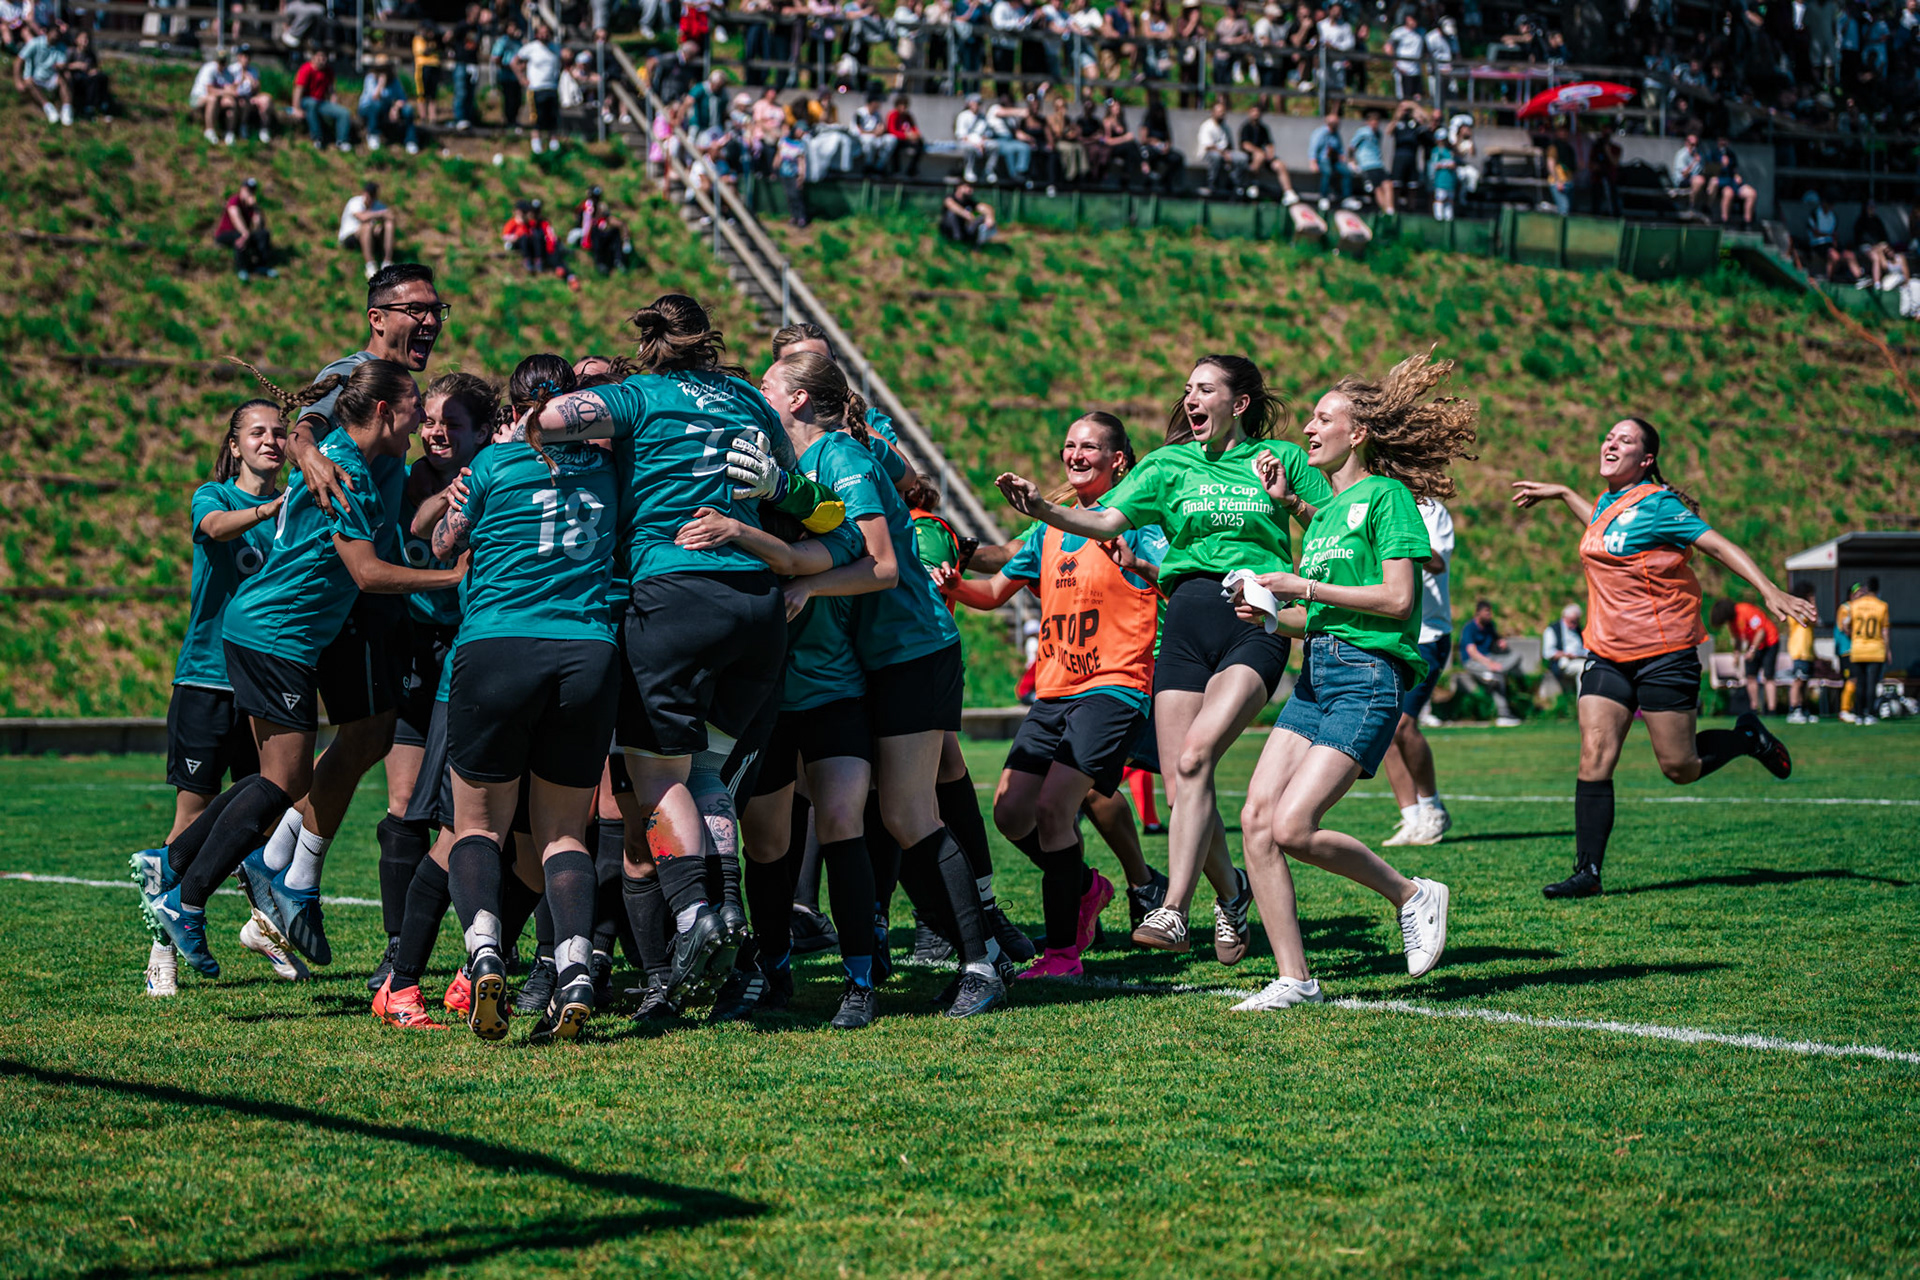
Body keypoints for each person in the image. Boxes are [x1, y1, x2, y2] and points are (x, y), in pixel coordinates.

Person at [520, 295, 846, 1010]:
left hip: (673, 600)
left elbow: (541, 421)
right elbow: (823, 510)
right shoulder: (747, 401)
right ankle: (727, 911)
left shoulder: (636, 396)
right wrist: (778, 488)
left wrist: (547, 426)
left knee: (655, 777)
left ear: (649, 342)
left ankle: (696, 914)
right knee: (706, 772)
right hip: (757, 611)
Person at [132, 360, 465, 982]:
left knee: (285, 776)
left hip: (274, 635)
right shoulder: (346, 472)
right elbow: (367, 573)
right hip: (273, 635)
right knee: (282, 779)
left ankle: (175, 866)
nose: (423, 419)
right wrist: (454, 577)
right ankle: (183, 890)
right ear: (386, 411)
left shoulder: (342, 455)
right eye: (416, 405)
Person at [995, 355, 1333, 963]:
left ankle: (1172, 906)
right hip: (1185, 621)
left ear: (1240, 403)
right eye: (1189, 389)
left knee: (1198, 754)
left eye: (1206, 389)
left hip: (1251, 619)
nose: (1192, 399)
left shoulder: (1279, 461)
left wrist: (1295, 511)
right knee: (1182, 787)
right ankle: (1231, 895)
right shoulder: (1166, 465)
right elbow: (1101, 521)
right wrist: (1042, 510)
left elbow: (1335, 523)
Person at [1227, 353, 1475, 1013]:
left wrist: (1298, 585)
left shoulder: (1388, 498)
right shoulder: (1329, 512)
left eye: (1322, 417)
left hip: (1369, 676)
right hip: (1319, 673)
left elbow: (1398, 600)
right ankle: (1295, 979)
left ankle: (1413, 894)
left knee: (1294, 825)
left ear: (1357, 433)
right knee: (1255, 820)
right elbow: (1319, 615)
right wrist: (1272, 614)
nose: (1308, 427)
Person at [240, 264, 449, 973]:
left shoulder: (403, 395)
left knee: (370, 736)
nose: (430, 321)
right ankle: (274, 874)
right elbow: (310, 422)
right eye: (416, 309)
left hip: (359, 595)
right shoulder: (355, 372)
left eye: (437, 310)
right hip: (347, 593)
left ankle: (281, 870)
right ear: (378, 316)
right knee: (362, 738)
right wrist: (305, 452)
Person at [1513, 417, 1815, 899]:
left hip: (1663, 654)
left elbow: (1715, 544)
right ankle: (1587, 873)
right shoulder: (1608, 505)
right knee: (1594, 753)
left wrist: (1769, 589)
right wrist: (1563, 492)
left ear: (1646, 460)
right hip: (1607, 653)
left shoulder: (1658, 505)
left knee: (1680, 767)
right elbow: (1601, 530)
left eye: (1624, 440)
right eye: (1608, 436)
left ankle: (1747, 739)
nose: (1610, 443)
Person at [679, 355, 895, 1028]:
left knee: (839, 821)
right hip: (765, 691)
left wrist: (803, 581)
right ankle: (771, 967)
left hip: (831, 683)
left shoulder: (832, 462)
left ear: (797, 397)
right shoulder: (746, 459)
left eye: (767, 384)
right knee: (767, 841)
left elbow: (867, 556)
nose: (756, 394)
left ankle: (860, 981)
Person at [429, 362, 622, 1043]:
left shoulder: (490, 465)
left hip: (497, 648)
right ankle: (573, 968)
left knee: (478, 825)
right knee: (564, 833)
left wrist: (470, 495)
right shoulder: (607, 467)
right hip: (585, 652)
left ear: (512, 406)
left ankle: (485, 950)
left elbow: (442, 543)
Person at [943, 413, 1167, 977]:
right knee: (1012, 813)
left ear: (1118, 459)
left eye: (1089, 446)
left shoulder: (1136, 516)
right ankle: (1087, 886)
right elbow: (995, 590)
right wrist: (949, 583)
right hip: (1054, 690)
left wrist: (1143, 564)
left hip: (1114, 684)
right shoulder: (1049, 528)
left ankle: (1064, 954)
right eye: (1069, 445)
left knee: (1053, 809)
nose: (1075, 455)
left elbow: (1174, 573)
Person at [140, 399, 292, 997]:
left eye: (280, 433)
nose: (271, 441)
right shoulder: (216, 496)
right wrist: (266, 510)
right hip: (206, 680)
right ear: (234, 445)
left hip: (264, 683)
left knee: (264, 813)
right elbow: (212, 530)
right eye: (258, 433)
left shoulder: (292, 511)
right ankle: (162, 951)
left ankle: (262, 926)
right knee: (192, 818)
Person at [364, 370, 496, 994]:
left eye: (453, 424)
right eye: (433, 421)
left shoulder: (501, 473)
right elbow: (418, 526)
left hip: (475, 649)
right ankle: (398, 949)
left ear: (484, 431)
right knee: (403, 805)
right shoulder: (417, 477)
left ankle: (480, 953)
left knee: (471, 815)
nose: (438, 432)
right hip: (416, 645)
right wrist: (455, 492)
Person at [1378, 496, 1452, 848]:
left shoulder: (1430, 510)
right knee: (1386, 728)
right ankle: (1412, 818)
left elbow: (1437, 562)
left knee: (1404, 723)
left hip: (1428, 634)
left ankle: (1433, 807)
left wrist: (1403, 536)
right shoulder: (1375, 501)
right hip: (1390, 631)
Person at [1709, 596, 1779, 715]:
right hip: (1754, 645)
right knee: (1750, 676)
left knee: (1768, 676)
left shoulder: (1745, 610)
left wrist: (1752, 650)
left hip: (1769, 642)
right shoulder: (1732, 622)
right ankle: (1754, 708)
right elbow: (1737, 639)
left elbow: (1761, 631)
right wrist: (1736, 654)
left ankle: (1772, 709)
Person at [1459, 599, 1522, 726]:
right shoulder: (1469, 628)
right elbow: (1472, 652)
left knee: (1516, 656)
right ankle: (1503, 714)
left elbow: (1496, 637)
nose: (1489, 615)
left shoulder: (1490, 626)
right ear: (1478, 613)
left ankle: (1489, 675)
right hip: (1473, 662)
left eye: (1490, 612)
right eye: (1486, 612)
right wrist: (1489, 664)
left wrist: (1501, 641)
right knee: (1498, 678)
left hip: (1490, 658)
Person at [512, 23, 563, 155]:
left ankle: (553, 141)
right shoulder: (531, 48)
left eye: (547, 32)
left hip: (552, 86)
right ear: (537, 34)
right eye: (542, 32)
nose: (544, 35)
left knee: (552, 116)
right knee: (537, 117)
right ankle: (536, 141)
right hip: (536, 87)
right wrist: (521, 78)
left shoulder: (555, 48)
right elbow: (514, 61)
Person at [1845, 577, 1890, 725]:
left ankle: (1858, 714)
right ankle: (1870, 714)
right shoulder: (1882, 606)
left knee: (1860, 683)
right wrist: (1887, 650)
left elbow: (1846, 625)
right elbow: (1885, 631)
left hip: (1858, 649)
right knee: (1872, 684)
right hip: (1875, 649)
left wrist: (1853, 636)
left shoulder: (1855, 605)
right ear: (1877, 590)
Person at [213, 177, 275, 282]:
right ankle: (242, 269)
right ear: (242, 189)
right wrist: (245, 233)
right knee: (239, 236)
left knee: (263, 234)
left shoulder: (250, 206)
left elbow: (259, 226)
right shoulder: (234, 200)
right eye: (248, 190)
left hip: (243, 233)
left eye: (252, 190)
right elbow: (234, 216)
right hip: (225, 234)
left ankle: (260, 265)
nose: (250, 193)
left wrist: (256, 208)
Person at [292, 47, 352, 152]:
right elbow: (298, 90)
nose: (322, 59)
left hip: (321, 103)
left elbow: (331, 90)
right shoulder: (306, 69)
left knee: (344, 113)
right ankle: (317, 138)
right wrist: (296, 108)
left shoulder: (328, 71)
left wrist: (333, 102)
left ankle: (342, 141)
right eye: (319, 57)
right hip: (306, 101)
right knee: (312, 103)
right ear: (313, 57)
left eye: (324, 57)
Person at [339, 180, 398, 281]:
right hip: (350, 237)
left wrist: (381, 225)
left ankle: (387, 262)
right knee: (367, 226)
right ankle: (370, 265)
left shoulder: (378, 206)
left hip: (370, 236)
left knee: (388, 224)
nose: (370, 199)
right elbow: (362, 217)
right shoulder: (355, 202)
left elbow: (391, 217)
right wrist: (380, 215)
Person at [358, 61, 420, 155]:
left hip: (387, 108)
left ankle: (411, 141)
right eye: (380, 70)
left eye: (385, 70)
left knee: (408, 110)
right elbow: (374, 98)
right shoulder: (370, 79)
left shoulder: (394, 81)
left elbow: (402, 98)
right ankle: (373, 134)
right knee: (376, 105)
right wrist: (380, 84)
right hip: (368, 108)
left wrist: (395, 108)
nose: (382, 72)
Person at [14, 21, 68, 125]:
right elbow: (18, 61)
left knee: (65, 78)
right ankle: (48, 107)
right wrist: (18, 81)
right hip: (33, 78)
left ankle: (67, 109)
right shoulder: (34, 43)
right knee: (29, 82)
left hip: (51, 77)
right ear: (47, 32)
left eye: (58, 33)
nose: (56, 35)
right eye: (54, 32)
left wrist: (61, 67)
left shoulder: (61, 47)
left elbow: (62, 65)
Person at [1784, 583, 1818, 725]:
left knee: (1804, 682)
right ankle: (1794, 709)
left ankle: (1803, 708)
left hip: (1807, 651)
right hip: (1799, 650)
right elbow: (1812, 617)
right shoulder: (1796, 610)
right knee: (1798, 681)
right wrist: (1812, 604)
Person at [1540, 602, 1587, 700]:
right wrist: (1565, 654)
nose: (1574, 624)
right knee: (1583, 668)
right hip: (1563, 662)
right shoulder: (1552, 629)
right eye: (1572, 621)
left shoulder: (1578, 630)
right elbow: (1547, 653)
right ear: (1564, 617)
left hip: (1580, 658)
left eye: (1576, 621)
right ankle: (1581, 702)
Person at [1308, 105, 1350, 209]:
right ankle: (1323, 197)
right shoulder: (1320, 133)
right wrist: (1313, 162)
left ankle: (1346, 198)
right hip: (1322, 159)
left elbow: (1340, 149)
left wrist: (1343, 158)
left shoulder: (1336, 134)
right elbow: (1313, 148)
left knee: (1347, 172)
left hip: (1334, 160)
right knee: (1327, 172)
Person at [1197, 98, 1240, 198]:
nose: (1222, 114)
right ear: (1213, 112)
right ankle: (1212, 185)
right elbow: (1208, 146)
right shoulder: (1207, 126)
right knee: (1216, 157)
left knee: (1241, 158)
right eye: (1219, 112)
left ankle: (1236, 186)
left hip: (1224, 153)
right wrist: (1224, 154)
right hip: (1208, 154)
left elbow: (1229, 144)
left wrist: (1229, 154)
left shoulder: (1225, 127)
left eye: (1223, 112)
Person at [1351, 107, 1388, 212]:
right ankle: (1384, 210)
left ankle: (1389, 210)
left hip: (1378, 164)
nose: (1375, 123)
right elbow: (1352, 147)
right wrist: (1352, 161)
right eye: (1373, 121)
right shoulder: (1363, 132)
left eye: (1377, 121)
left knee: (1388, 184)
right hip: (1368, 165)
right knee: (1377, 188)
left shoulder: (1378, 134)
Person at [940, 180, 998, 245]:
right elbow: (951, 205)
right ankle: (956, 241)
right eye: (968, 186)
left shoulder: (969, 201)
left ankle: (978, 244)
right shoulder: (950, 198)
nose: (971, 189)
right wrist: (965, 214)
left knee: (983, 218)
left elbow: (985, 208)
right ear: (959, 187)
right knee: (951, 213)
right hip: (949, 231)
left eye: (972, 187)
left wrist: (990, 216)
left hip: (964, 230)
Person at [776, 119, 810, 228]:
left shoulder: (801, 145)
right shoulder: (784, 141)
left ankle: (801, 217)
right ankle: (793, 216)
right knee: (789, 196)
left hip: (794, 173)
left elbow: (802, 161)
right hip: (784, 172)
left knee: (796, 195)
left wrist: (801, 175)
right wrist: (774, 168)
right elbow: (779, 155)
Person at [885, 94, 925, 176]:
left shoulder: (908, 116)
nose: (903, 107)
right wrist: (906, 136)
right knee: (894, 145)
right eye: (901, 105)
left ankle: (912, 168)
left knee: (920, 144)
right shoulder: (893, 115)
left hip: (907, 139)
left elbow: (914, 128)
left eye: (905, 105)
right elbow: (891, 130)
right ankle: (896, 169)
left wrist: (916, 135)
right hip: (898, 139)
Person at [1672, 133, 1707, 214]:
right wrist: (1694, 161)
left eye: (1696, 145)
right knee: (1699, 180)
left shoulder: (1699, 154)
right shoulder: (1682, 155)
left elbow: (1701, 171)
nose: (1694, 147)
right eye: (1692, 144)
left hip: (1695, 179)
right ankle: (1692, 206)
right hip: (1682, 180)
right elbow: (1684, 174)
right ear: (1686, 143)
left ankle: (1706, 208)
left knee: (1713, 181)